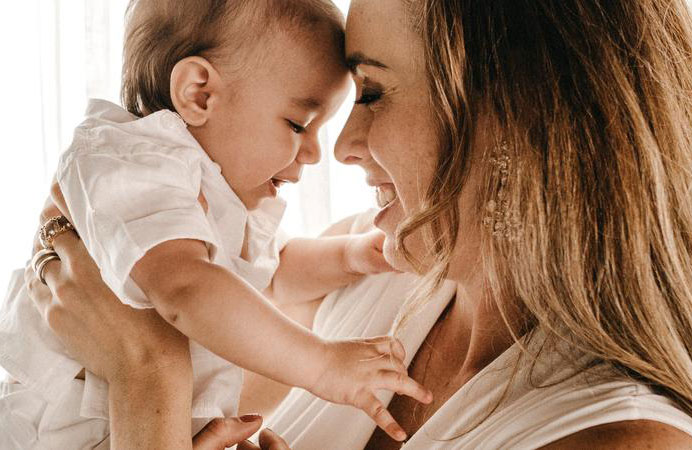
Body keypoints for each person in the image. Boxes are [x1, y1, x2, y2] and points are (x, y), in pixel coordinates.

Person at [15, 0, 692, 448]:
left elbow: (166, 356)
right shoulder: (356, 280)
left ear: (514, 115)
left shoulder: (617, 437)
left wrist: (147, 373)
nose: (339, 148)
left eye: (370, 92)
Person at [0, 0, 434, 448]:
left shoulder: (212, 192)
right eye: (299, 124)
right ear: (199, 94)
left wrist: (350, 255)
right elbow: (186, 289)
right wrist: (321, 364)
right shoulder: (132, 161)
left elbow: (274, 274)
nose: (315, 153)